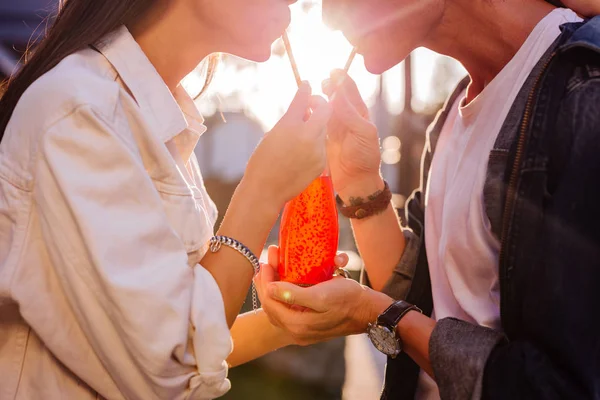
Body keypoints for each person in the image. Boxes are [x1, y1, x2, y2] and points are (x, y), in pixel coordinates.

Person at [0, 0, 353, 398]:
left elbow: (174, 332)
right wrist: (262, 192)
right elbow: (164, 368)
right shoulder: (79, 112)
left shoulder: (155, 120)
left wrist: (292, 317)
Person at [258, 0, 600, 398]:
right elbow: (427, 303)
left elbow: (557, 387)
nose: (328, 17)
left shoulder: (585, 92)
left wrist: (374, 312)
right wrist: (358, 180)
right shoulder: (455, 110)